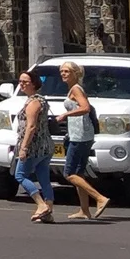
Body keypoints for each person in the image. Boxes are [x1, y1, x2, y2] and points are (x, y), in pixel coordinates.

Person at [53, 60, 110, 220]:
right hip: (81, 134)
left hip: (80, 136)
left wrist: (65, 115)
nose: (63, 74)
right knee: (79, 172)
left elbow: (85, 108)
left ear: (75, 74)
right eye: (62, 71)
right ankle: (84, 210)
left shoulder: (76, 89)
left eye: (66, 71)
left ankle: (99, 198)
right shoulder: (74, 89)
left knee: (69, 173)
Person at [13, 69, 55, 223]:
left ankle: (41, 204)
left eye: (25, 82)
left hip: (35, 146)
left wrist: (24, 148)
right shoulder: (40, 100)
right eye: (20, 81)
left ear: (34, 84)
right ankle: (48, 212)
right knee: (43, 178)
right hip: (45, 145)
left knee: (20, 175)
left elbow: (31, 127)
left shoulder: (34, 102)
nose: (22, 84)